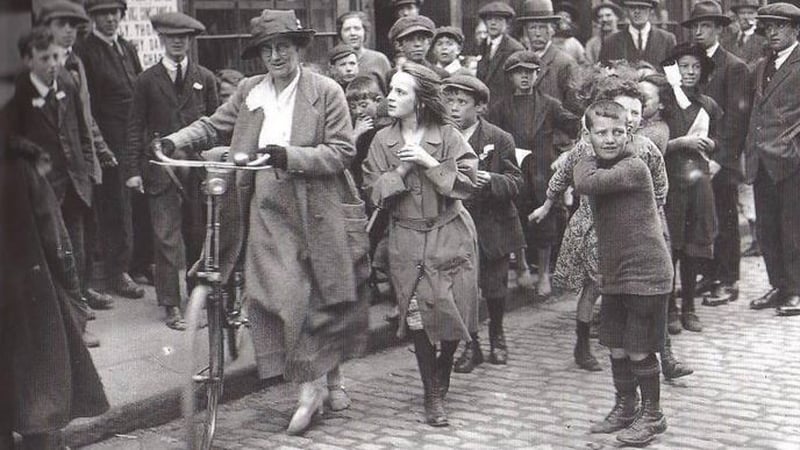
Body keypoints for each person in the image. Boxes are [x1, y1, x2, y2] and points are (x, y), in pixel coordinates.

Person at [159, 9, 370, 435]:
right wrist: (174, 140)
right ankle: (310, 382)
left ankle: (323, 382)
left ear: (298, 49)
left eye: (283, 48)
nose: (275, 56)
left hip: (315, 206)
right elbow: (214, 125)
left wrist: (288, 155)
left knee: (320, 298)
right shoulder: (251, 90)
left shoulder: (324, 90)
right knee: (277, 295)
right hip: (265, 209)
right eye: (267, 49)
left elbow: (342, 151)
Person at [362, 62, 479, 427]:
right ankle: (432, 394)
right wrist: (400, 171)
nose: (391, 98)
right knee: (418, 317)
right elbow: (373, 193)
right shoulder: (383, 141)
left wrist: (429, 162)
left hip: (451, 234)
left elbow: (467, 184)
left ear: (421, 99)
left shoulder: (447, 135)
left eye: (400, 91)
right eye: (391, 90)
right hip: (407, 239)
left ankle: (443, 369)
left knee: (456, 311)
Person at [0, 112, 110, 450]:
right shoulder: (20, 164)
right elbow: (56, 237)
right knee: (38, 400)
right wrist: (73, 292)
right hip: (29, 298)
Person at [574, 100, 672, 446]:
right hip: (616, 273)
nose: (610, 139)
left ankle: (653, 416)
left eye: (618, 131)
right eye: (601, 133)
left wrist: (584, 151)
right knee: (615, 345)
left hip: (646, 276)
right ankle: (626, 407)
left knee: (638, 349)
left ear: (629, 132)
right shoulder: (602, 162)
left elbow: (584, 180)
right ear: (589, 134)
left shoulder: (633, 167)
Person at [6, 26, 104, 348]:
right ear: (27, 60)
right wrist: (33, 154)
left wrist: (88, 167)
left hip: (73, 184)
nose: (52, 64)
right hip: (39, 189)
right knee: (46, 259)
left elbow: (79, 129)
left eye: (56, 57)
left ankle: (78, 326)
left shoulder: (67, 82)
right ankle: (49, 331)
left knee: (72, 253)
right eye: (44, 58)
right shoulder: (17, 93)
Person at [122, 12, 219, 330]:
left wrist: (215, 164)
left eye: (184, 38)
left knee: (197, 234)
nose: (178, 43)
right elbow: (135, 126)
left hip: (196, 170)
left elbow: (217, 125)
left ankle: (195, 299)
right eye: (172, 37)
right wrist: (134, 170)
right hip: (161, 171)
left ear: (190, 41)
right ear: (162, 39)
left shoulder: (205, 78)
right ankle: (170, 305)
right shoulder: (146, 81)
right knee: (165, 238)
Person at [441, 75, 525, 373]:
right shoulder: (440, 137)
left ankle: (497, 335)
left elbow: (517, 181)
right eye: (449, 101)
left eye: (462, 102)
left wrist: (493, 180)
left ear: (479, 107)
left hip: (494, 226)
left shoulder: (499, 138)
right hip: (456, 225)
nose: (453, 108)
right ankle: (471, 344)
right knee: (463, 290)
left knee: (495, 288)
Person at [38, 0, 116, 314]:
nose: (69, 31)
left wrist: (96, 154)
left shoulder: (75, 65)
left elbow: (84, 118)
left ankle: (79, 298)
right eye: (62, 24)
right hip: (48, 174)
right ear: (46, 28)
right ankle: (65, 312)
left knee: (78, 240)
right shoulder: (33, 68)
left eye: (74, 25)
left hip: (77, 171)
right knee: (53, 247)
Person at [489, 50, 581, 297]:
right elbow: (493, 136)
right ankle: (520, 266)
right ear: (510, 77)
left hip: (543, 170)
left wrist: (569, 144)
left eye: (530, 72)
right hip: (514, 170)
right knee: (514, 217)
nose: (525, 77)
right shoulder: (500, 108)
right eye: (519, 72)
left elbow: (573, 124)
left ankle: (543, 276)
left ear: (537, 75)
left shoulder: (549, 104)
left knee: (545, 222)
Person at [75, 0, 146, 299]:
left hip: (135, 135)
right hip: (109, 137)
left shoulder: (127, 48)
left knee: (140, 199)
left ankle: (142, 263)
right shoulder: (86, 51)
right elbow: (86, 103)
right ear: (92, 18)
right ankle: (118, 272)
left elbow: (141, 89)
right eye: (102, 14)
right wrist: (101, 145)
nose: (109, 19)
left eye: (114, 13)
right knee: (116, 204)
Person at [683, 1, 751, 305]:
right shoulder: (687, 64)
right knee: (700, 217)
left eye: (706, 26)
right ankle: (708, 274)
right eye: (695, 26)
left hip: (721, 158)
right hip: (694, 155)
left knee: (724, 217)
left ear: (720, 30)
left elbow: (737, 121)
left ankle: (728, 280)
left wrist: (721, 160)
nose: (699, 32)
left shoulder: (734, 66)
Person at [661, 43, 723, 334]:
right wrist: (678, 143)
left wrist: (712, 145)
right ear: (675, 68)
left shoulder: (708, 104)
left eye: (696, 67)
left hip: (698, 182)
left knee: (693, 244)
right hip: (670, 180)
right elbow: (651, 141)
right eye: (684, 65)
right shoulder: (663, 102)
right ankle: (670, 308)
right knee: (670, 243)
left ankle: (689, 306)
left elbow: (720, 140)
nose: (690, 72)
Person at [745, 3, 800, 316]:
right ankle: (779, 284)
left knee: (793, 228)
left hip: (791, 162)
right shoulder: (764, 63)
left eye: (780, 26)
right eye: (768, 27)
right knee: (767, 228)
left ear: (795, 29)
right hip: (762, 159)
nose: (774, 32)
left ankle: (796, 289)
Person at [476, 1, 525, 110]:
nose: (493, 23)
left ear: (507, 24)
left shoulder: (514, 49)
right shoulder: (483, 45)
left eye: (498, 20)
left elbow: (518, 85)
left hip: (505, 109)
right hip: (483, 107)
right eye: (489, 19)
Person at [599, 0, 676, 68]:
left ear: (651, 10)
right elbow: (602, 74)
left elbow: (673, 76)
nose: (637, 12)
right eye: (632, 8)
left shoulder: (667, 39)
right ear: (626, 11)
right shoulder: (611, 42)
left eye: (642, 7)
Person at [336, 11, 391, 94]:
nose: (352, 33)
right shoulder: (336, 61)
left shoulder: (379, 60)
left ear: (364, 32)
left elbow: (389, 92)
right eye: (347, 29)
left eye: (357, 28)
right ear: (340, 34)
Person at [387, 15, 449, 79]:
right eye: (410, 39)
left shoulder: (441, 74)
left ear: (429, 43)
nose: (417, 44)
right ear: (400, 46)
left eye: (422, 39)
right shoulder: (393, 75)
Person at [720, 0, 769, 67]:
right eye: (742, 13)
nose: (746, 17)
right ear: (737, 16)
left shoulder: (765, 41)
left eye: (750, 13)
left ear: (757, 17)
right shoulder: (727, 41)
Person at [586, 1, 622, 65]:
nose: (604, 19)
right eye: (600, 17)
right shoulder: (592, 44)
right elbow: (588, 66)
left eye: (608, 15)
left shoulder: (626, 39)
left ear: (617, 17)